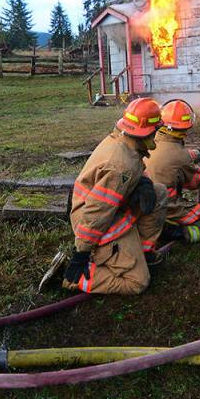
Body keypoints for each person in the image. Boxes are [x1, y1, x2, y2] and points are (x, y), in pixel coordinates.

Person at [62, 98, 167, 294]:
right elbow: (97, 211)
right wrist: (81, 253)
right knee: (138, 282)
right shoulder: (120, 166)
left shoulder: (124, 142)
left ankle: (142, 253)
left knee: (158, 192)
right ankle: (75, 278)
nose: (157, 135)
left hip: (110, 210)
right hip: (95, 221)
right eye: (155, 131)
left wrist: (142, 183)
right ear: (144, 132)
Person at [144, 99, 200, 245]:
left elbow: (171, 155)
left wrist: (196, 154)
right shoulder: (180, 156)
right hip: (168, 207)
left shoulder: (150, 140)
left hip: (145, 204)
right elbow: (195, 183)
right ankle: (178, 234)